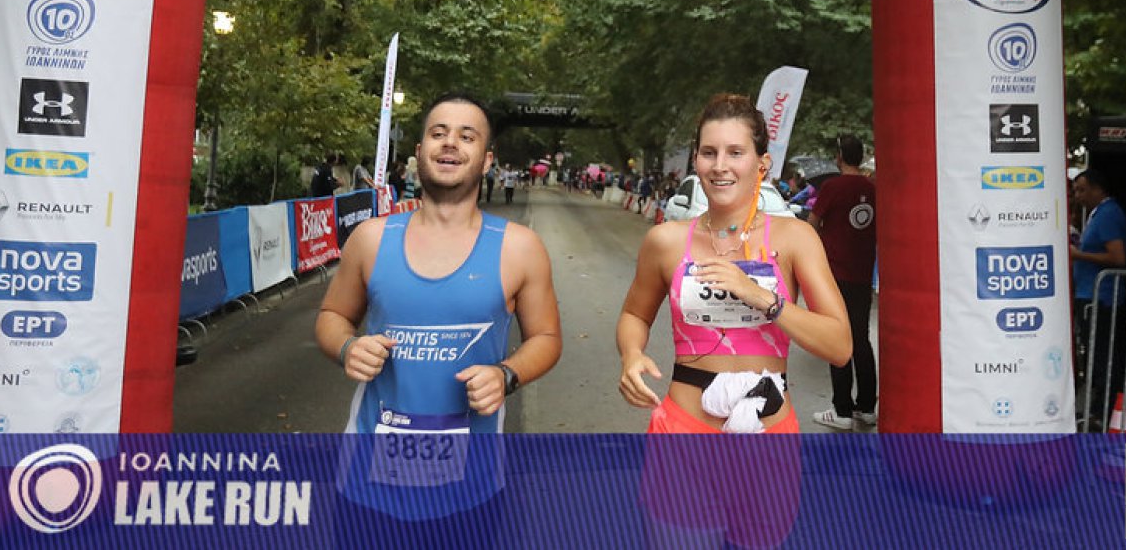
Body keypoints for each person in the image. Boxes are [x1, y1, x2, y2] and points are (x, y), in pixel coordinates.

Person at [616, 93, 851, 545]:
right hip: (685, 437)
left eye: (735, 152)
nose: (720, 165)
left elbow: (840, 346)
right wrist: (631, 354)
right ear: (696, 160)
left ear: (762, 164)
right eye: (709, 152)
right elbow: (633, 314)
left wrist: (762, 298)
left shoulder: (796, 238)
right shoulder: (666, 241)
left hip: (768, 435)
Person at [315, 92, 562, 521]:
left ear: (486, 161)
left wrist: (506, 374)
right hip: (365, 487)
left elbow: (546, 337)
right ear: (419, 152)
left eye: (467, 136)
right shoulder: (371, 239)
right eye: (439, 133)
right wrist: (347, 347)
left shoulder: (520, 248)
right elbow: (332, 316)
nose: (450, 143)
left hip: (472, 491)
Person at [808, 134, 879, 430]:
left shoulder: (832, 187)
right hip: (862, 274)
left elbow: (811, 225)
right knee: (861, 339)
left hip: (834, 275)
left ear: (839, 157)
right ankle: (867, 407)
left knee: (836, 338)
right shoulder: (873, 188)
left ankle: (842, 410)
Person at [1069, 168, 1126, 429]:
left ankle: (1105, 412)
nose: (1078, 196)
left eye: (1082, 190)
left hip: (1101, 298)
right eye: (1075, 191)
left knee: (1104, 357)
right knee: (1095, 356)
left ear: (1097, 189)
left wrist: (1078, 255)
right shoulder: (1097, 214)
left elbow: (1118, 257)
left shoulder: (1109, 214)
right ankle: (1097, 409)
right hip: (1089, 294)